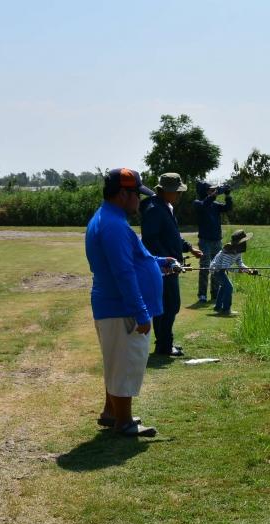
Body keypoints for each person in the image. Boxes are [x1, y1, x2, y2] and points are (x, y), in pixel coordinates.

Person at [84, 168, 175, 437]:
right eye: (137, 194)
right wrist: (141, 312)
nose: (140, 200)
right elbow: (122, 273)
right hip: (121, 309)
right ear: (123, 194)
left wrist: (160, 264)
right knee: (125, 364)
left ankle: (112, 412)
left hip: (114, 307)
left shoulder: (111, 219)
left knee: (116, 363)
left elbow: (135, 261)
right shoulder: (113, 226)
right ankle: (123, 422)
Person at [140, 173, 203, 356]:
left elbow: (172, 236)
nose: (179, 195)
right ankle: (165, 346)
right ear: (165, 191)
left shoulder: (164, 207)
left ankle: (164, 344)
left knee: (167, 307)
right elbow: (150, 241)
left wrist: (190, 248)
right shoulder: (154, 209)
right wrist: (168, 261)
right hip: (163, 269)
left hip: (169, 267)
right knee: (169, 306)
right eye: (176, 192)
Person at [193, 181, 233, 304]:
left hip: (217, 241)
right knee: (205, 267)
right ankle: (202, 295)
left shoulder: (215, 204)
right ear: (205, 191)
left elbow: (228, 207)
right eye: (211, 190)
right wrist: (214, 195)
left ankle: (215, 293)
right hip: (205, 241)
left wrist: (227, 195)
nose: (214, 191)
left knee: (217, 268)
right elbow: (205, 204)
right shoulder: (198, 203)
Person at [209, 229, 258, 315]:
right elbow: (226, 267)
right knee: (229, 287)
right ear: (239, 243)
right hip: (216, 269)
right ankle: (226, 310)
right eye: (244, 241)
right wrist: (239, 271)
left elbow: (240, 263)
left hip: (221, 269)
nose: (245, 243)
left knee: (224, 286)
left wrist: (249, 270)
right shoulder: (229, 251)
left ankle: (218, 307)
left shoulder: (238, 250)